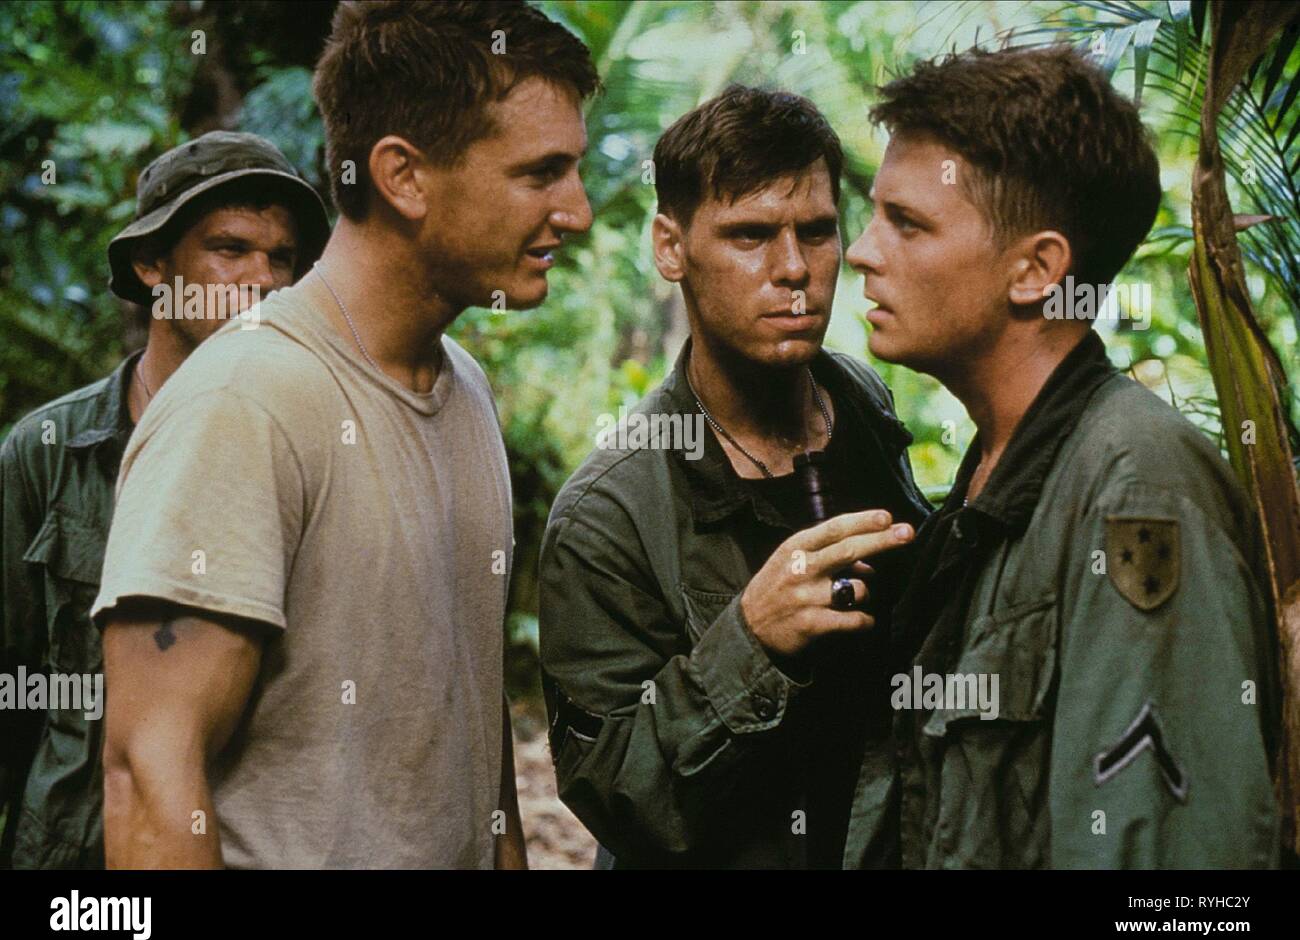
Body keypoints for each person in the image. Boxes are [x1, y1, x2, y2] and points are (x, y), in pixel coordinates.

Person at [91, 0, 598, 869]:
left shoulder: (465, 390)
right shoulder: (245, 401)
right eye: (539, 173)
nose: (578, 211)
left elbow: (476, 771)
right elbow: (148, 780)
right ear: (402, 176)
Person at [845, 45, 1279, 868]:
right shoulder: (1002, 476)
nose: (863, 251)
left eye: (907, 222)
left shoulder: (1136, 487)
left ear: (1036, 270)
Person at [539, 85, 931, 868]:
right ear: (670, 247)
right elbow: (619, 799)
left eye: (816, 233)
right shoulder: (608, 511)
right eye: (751, 235)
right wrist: (750, 643)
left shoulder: (862, 405)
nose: (793, 270)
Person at [0, 130, 328, 868]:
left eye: (282, 259)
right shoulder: (48, 452)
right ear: (152, 264)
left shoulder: (314, 446)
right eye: (230, 249)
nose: (263, 281)